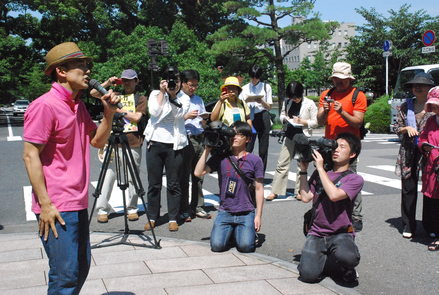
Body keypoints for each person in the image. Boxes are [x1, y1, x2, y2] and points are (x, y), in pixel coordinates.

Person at [22, 42, 120, 294]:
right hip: (56, 203)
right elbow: (30, 155)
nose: (88, 71)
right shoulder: (45, 105)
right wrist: (45, 204)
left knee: (81, 266)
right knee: (65, 274)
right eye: (81, 65)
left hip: (77, 200)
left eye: (88, 66)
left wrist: (108, 113)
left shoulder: (78, 106)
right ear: (61, 71)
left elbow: (97, 141)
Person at [297, 133, 364, 285]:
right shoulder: (321, 172)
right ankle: (326, 261)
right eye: (335, 146)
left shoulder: (354, 178)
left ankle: (344, 266)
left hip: (340, 233)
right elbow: (306, 197)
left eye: (342, 147)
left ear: (352, 154)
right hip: (316, 232)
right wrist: (303, 170)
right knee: (308, 276)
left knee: (348, 257)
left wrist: (320, 168)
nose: (336, 150)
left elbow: (334, 195)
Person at [194, 121, 264, 253]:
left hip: (246, 212)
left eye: (240, 135)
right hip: (225, 211)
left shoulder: (255, 160)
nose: (235, 137)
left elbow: (259, 189)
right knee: (217, 246)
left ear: (248, 139)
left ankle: (243, 231)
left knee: (245, 247)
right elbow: (198, 173)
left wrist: (258, 216)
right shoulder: (221, 157)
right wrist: (207, 149)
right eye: (233, 133)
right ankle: (233, 232)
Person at [91, 69, 147, 223]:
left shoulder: (140, 98)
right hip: (112, 142)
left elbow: (136, 117)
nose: (127, 83)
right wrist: (108, 83)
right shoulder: (114, 94)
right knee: (108, 176)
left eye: (130, 80)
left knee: (132, 177)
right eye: (124, 80)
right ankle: (102, 209)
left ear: (136, 81)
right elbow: (94, 93)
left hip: (133, 142)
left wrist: (116, 108)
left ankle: (132, 208)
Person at [317, 62, 367, 232]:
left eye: (342, 79)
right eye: (336, 79)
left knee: (350, 179)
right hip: (329, 144)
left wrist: (341, 112)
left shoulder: (357, 95)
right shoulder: (326, 94)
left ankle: (356, 216)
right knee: (325, 178)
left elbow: (358, 121)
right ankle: (324, 211)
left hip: (349, 145)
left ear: (349, 79)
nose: (339, 82)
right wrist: (324, 110)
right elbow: (319, 121)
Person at [143, 66, 190, 232]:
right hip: (155, 143)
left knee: (173, 183)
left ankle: (172, 217)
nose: (174, 84)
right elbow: (154, 112)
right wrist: (163, 93)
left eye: (177, 81)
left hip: (174, 145)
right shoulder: (155, 95)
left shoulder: (184, 98)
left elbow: (179, 114)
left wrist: (172, 95)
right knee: (154, 184)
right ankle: (153, 216)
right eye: (171, 81)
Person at [395, 72, 435, 239]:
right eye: (415, 85)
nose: (418, 87)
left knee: (431, 189)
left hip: (430, 150)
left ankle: (430, 225)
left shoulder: (434, 105)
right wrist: (405, 129)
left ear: (429, 88)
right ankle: (408, 224)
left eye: (423, 85)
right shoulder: (405, 106)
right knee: (408, 189)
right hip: (409, 150)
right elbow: (397, 128)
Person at [266, 81, 318, 201]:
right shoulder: (287, 101)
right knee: (282, 163)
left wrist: (303, 122)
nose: (294, 99)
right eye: (292, 97)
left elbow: (315, 122)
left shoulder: (309, 103)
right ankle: (276, 191)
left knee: (301, 164)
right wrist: (285, 119)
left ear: (301, 93)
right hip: (289, 135)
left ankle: (299, 191)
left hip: (302, 137)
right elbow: (282, 115)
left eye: (297, 97)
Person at [179, 69, 210, 221]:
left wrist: (205, 119)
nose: (193, 88)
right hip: (186, 138)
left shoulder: (198, 99)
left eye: (196, 85)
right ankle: (183, 208)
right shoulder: (176, 97)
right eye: (191, 85)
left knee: (199, 175)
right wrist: (186, 116)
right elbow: (171, 121)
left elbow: (202, 122)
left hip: (200, 137)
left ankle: (197, 205)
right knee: (184, 175)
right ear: (183, 83)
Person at [240, 65, 273, 172]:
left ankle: (260, 174)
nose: (254, 80)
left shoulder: (266, 87)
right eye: (252, 77)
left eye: (256, 77)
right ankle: (247, 171)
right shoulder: (244, 88)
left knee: (263, 148)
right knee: (248, 146)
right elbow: (240, 105)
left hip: (263, 116)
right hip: (250, 117)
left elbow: (269, 107)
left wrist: (262, 101)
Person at [418, 86, 439, 251]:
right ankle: (433, 230)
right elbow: (423, 137)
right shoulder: (431, 120)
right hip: (432, 166)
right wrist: (423, 146)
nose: (434, 108)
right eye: (432, 105)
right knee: (432, 200)